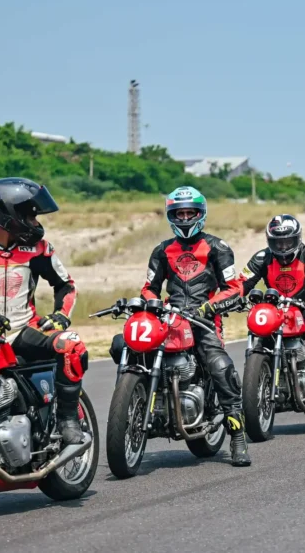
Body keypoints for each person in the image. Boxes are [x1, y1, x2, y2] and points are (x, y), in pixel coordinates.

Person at [108, 186, 250, 466]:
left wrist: (209, 307)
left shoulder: (218, 248)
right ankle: (129, 406)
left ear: (201, 214)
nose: (185, 218)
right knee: (122, 344)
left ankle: (237, 437)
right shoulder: (162, 251)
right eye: (179, 213)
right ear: (171, 216)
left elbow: (234, 289)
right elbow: (150, 287)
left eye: (190, 213)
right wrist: (149, 304)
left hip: (205, 321)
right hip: (169, 319)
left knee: (220, 366)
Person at [0, 177, 88, 445]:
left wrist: (61, 316)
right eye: (31, 216)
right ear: (10, 216)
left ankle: (68, 419)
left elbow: (66, 286)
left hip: (24, 332)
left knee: (73, 346)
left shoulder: (39, 250)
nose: (36, 224)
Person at [238, 214, 305, 388]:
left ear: (297, 238)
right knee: (260, 335)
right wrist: (234, 298)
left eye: (288, 242)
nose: (283, 247)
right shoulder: (262, 257)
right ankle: (258, 378)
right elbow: (243, 282)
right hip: (275, 308)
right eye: (278, 242)